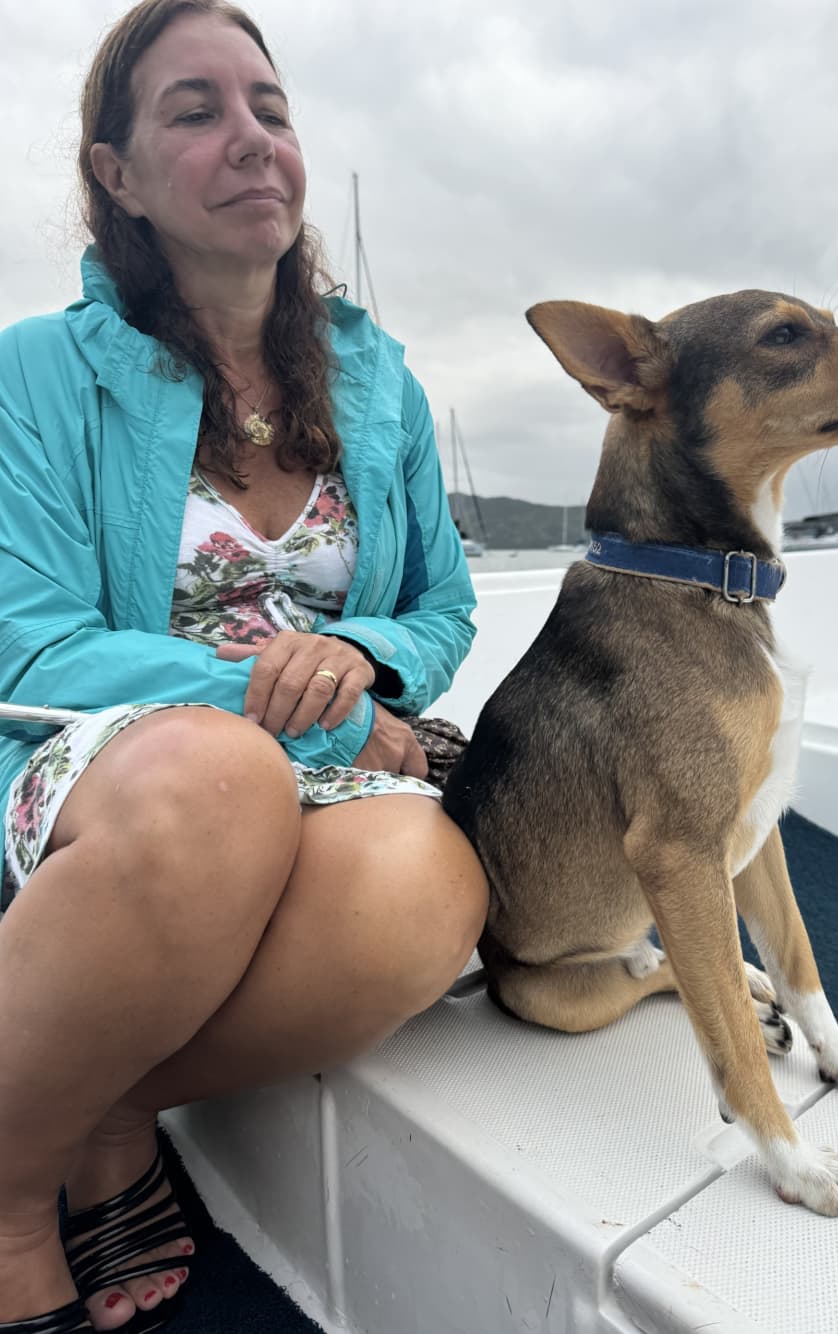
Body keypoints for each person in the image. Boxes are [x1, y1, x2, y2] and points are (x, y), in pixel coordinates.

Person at [0, 2, 489, 1330]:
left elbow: (442, 608)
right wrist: (309, 725)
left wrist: (361, 655)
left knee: (423, 889)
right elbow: (28, 643)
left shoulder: (377, 382)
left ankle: (104, 1096)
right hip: (107, 767)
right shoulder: (33, 375)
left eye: (268, 107)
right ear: (119, 176)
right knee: (219, 782)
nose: (250, 138)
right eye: (196, 111)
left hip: (316, 777)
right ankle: (4, 1194)